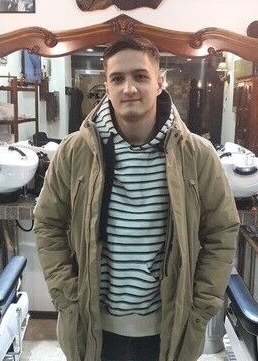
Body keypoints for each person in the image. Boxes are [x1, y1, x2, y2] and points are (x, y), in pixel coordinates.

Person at [33, 36, 240, 361]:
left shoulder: (198, 155)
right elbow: (47, 222)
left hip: (169, 329)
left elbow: (222, 231)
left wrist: (200, 306)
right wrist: (66, 294)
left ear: (159, 82)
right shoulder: (74, 152)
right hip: (92, 326)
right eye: (117, 78)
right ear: (107, 86)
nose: (129, 88)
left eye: (140, 76)